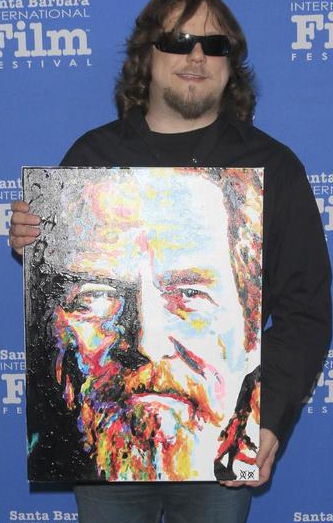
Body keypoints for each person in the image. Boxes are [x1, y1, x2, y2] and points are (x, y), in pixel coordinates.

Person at [9, 0, 332, 523]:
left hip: (217, 429)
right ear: (144, 55)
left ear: (231, 66)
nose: (196, 57)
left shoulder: (273, 170)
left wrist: (271, 417)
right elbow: (65, 299)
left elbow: (303, 308)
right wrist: (33, 249)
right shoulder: (89, 159)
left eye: (215, 46)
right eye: (178, 41)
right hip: (104, 436)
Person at [25, 165, 263, 483]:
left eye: (190, 293)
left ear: (250, 333)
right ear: (54, 327)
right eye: (98, 295)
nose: (147, 345)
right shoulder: (90, 153)